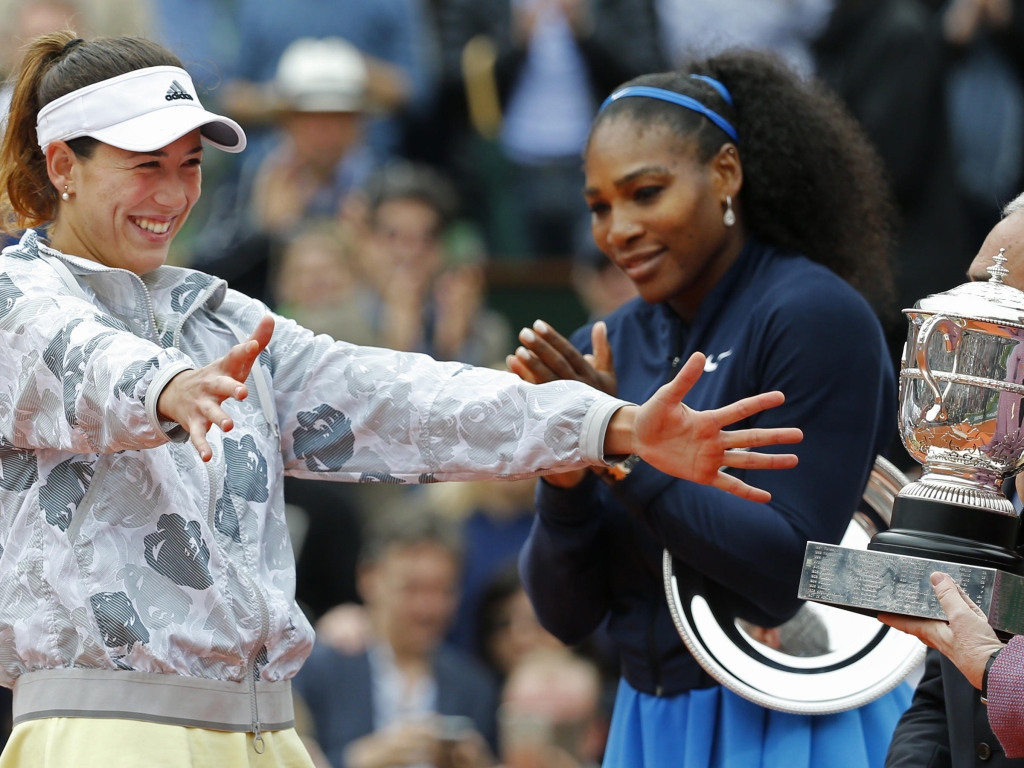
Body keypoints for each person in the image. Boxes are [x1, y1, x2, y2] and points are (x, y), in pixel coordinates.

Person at [0, 31, 801, 767]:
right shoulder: (13, 296)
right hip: (106, 735)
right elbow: (82, 359)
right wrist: (168, 386)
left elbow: (400, 399)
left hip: (267, 736)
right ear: (63, 167)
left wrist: (609, 424)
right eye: (146, 164)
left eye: (189, 164)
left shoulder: (223, 319)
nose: (173, 193)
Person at [509, 50, 907, 767]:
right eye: (599, 206)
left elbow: (785, 577)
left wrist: (620, 448)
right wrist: (566, 479)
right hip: (648, 720)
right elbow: (566, 618)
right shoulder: (604, 346)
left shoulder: (812, 315)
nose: (618, 229)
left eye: (646, 192)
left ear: (725, 174)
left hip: (801, 718)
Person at [882, 191, 1024, 768]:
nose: (970, 332)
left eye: (1012, 315)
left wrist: (991, 667)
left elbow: (975, 665)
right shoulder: (993, 488)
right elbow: (943, 699)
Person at [293, 506, 495, 768]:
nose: (427, 608)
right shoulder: (317, 671)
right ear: (368, 578)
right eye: (411, 589)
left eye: (443, 590)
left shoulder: (474, 686)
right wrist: (358, 760)